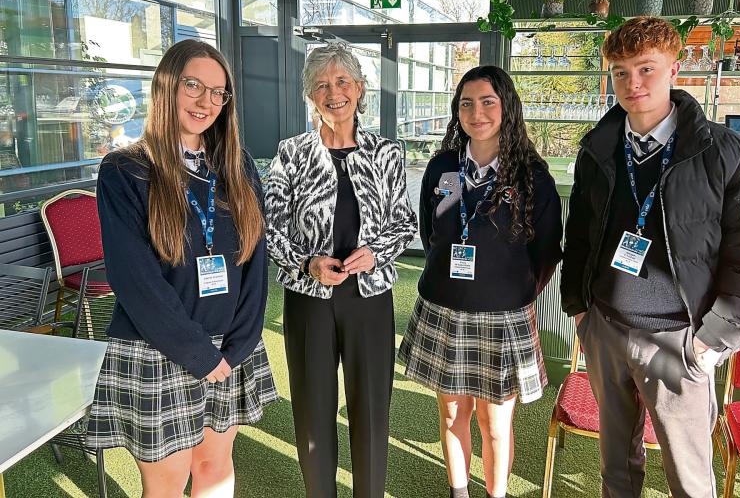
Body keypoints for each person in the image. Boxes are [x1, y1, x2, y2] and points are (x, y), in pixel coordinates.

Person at [561, 16, 740, 497]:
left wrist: (712, 342)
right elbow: (579, 233)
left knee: (689, 479)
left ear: (675, 69)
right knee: (617, 470)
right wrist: (580, 310)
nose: (632, 83)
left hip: (681, 340)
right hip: (606, 329)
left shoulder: (725, 151)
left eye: (646, 69)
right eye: (620, 72)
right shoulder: (598, 149)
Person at [86, 39, 278, 497]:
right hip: (159, 350)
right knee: (168, 484)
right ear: (167, 86)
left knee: (214, 467)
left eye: (218, 92)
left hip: (230, 350)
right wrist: (199, 355)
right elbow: (134, 281)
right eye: (193, 85)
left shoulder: (236, 166)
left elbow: (254, 263)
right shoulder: (125, 170)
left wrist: (241, 344)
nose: (206, 101)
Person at [399, 65, 563, 498]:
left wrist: (511, 292)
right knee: (453, 413)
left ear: (506, 107)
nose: (477, 112)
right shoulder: (443, 168)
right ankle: (459, 491)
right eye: (466, 103)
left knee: (496, 423)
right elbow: (431, 232)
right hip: (444, 309)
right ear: (457, 112)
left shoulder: (532, 176)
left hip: (502, 316)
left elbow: (546, 252)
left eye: (488, 101)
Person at [264, 42, 417, 497]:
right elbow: (269, 226)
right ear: (310, 96)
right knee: (313, 410)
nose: (333, 93)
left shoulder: (387, 153)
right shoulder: (291, 153)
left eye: (342, 82)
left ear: (360, 88)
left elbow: (405, 221)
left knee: (371, 410)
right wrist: (305, 263)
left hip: (369, 300)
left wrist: (377, 251)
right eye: (322, 85)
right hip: (309, 300)